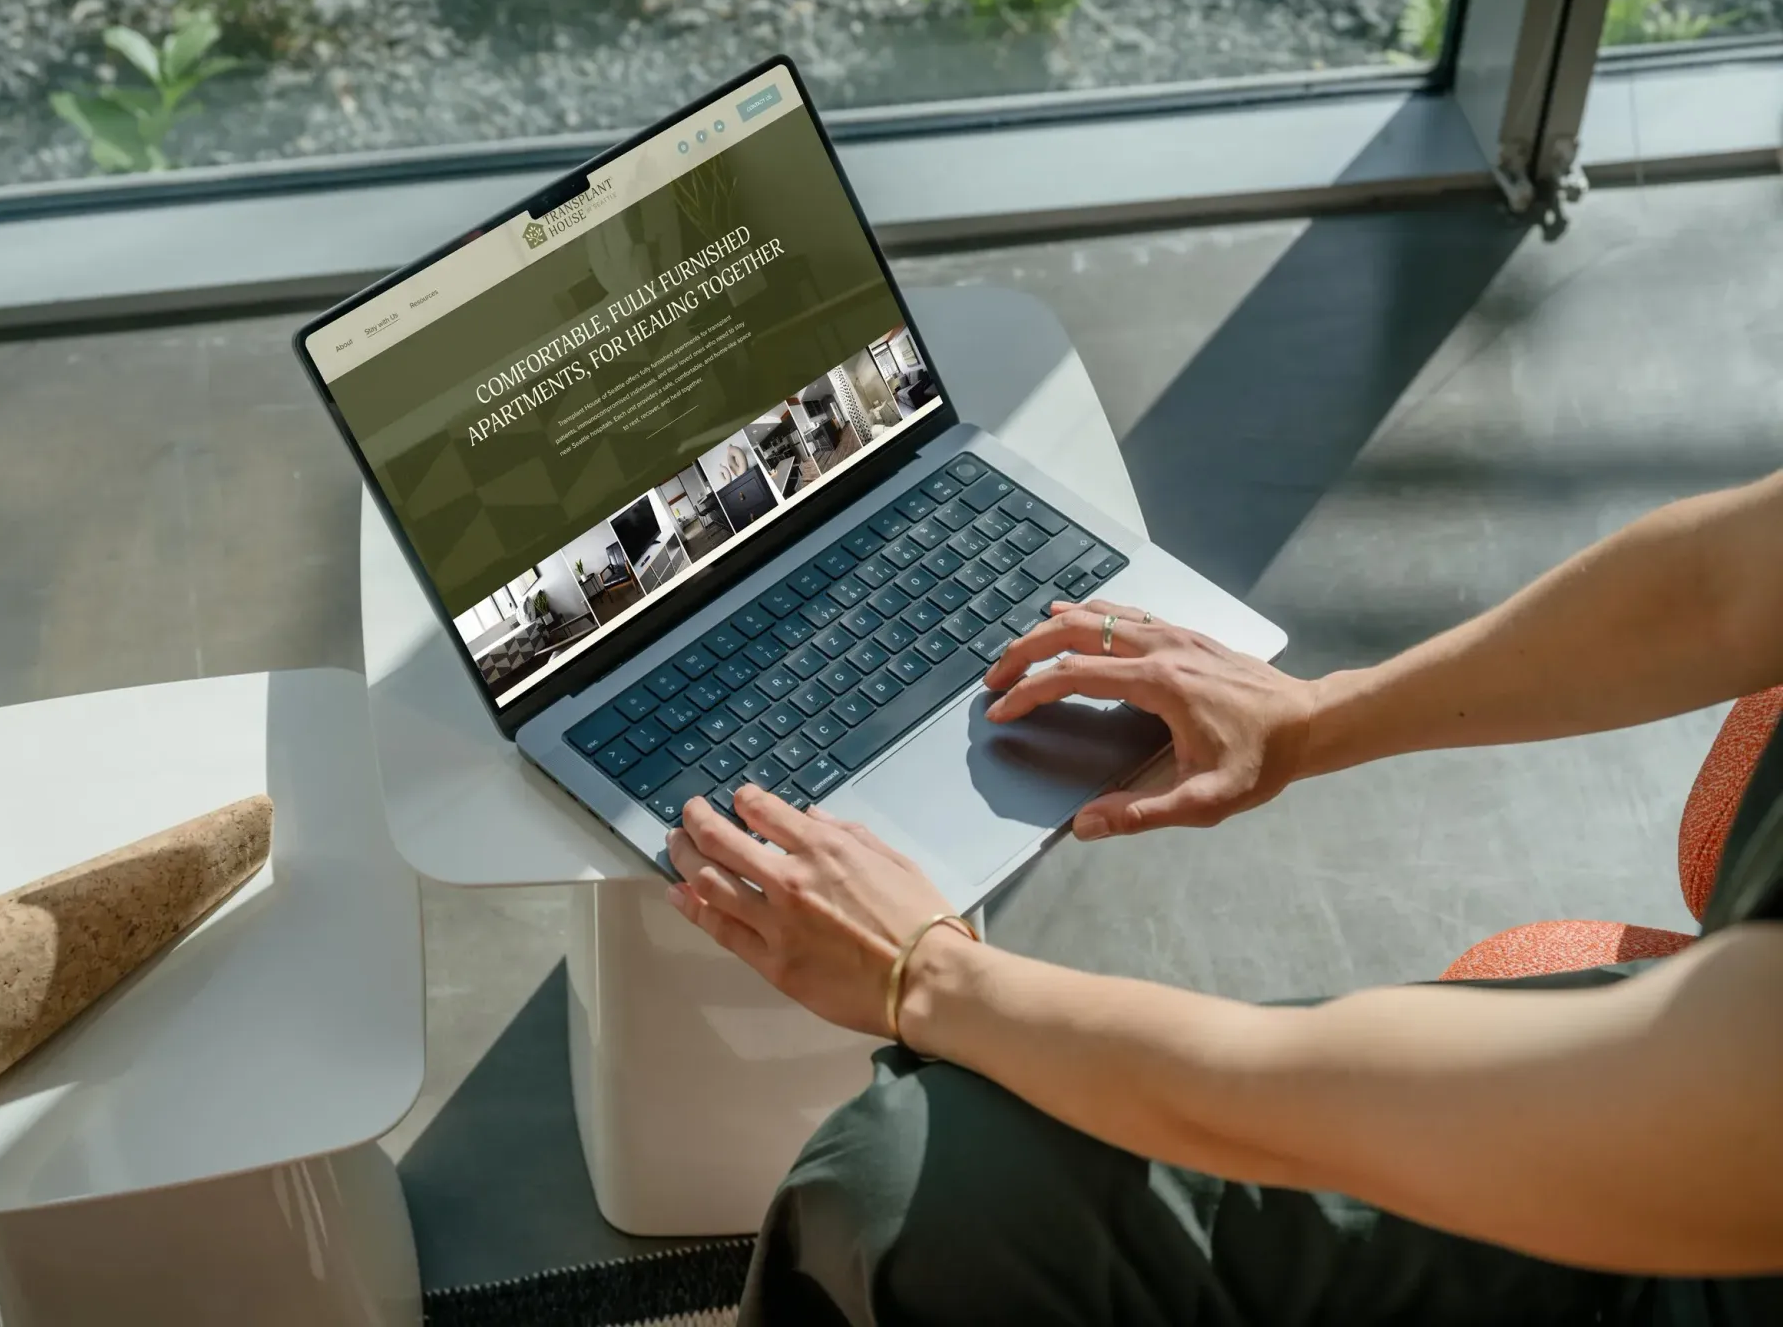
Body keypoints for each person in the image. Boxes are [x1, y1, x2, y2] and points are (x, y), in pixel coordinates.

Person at [663, 470, 1783, 1326]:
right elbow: (1717, 585)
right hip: (1698, 1072)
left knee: (906, 1187)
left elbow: (1329, 1114)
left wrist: (930, 977)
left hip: (1673, 1225)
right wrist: (1316, 716)